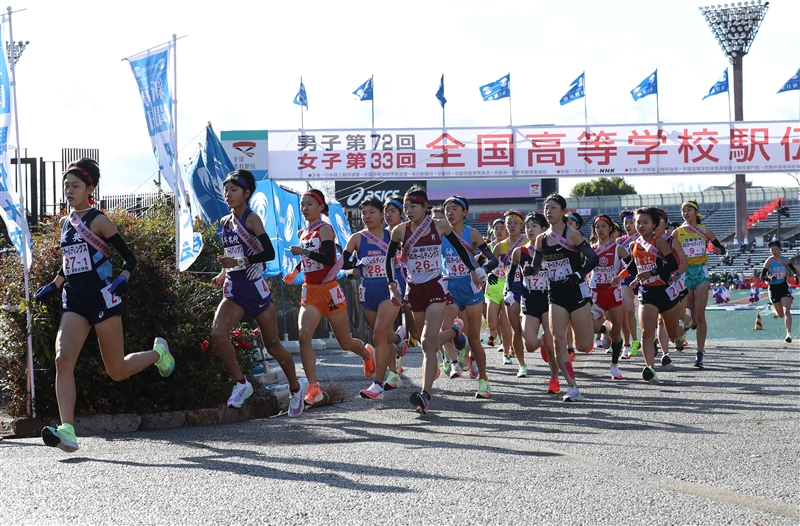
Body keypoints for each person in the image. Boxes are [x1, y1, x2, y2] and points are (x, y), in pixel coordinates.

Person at [35, 158, 174, 452]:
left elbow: (129, 258)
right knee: (63, 360)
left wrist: (123, 276)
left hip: (102, 297)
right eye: (66, 186)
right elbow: (69, 264)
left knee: (117, 370)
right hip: (74, 299)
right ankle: (67, 430)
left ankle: (158, 353)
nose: (69, 191)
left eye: (75, 186)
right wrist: (54, 284)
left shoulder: (98, 220)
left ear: (90, 188)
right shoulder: (65, 223)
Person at [211, 170, 307, 414]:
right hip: (234, 289)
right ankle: (241, 383)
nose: (228, 195)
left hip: (256, 289)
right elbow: (231, 254)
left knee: (273, 346)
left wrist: (238, 263)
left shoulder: (252, 219)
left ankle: (296, 389)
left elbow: (268, 253)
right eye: (226, 190)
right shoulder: (225, 222)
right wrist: (223, 274)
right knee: (218, 333)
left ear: (246, 193)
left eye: (234, 190)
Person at [384, 186, 481, 413]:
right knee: (420, 339)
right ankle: (455, 331)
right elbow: (389, 260)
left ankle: (425, 394)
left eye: (413, 206)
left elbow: (460, 249)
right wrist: (391, 286)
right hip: (414, 290)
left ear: (425, 207)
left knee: (428, 342)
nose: (408, 210)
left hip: (436, 287)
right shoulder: (398, 231)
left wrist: (472, 271)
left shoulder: (440, 226)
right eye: (406, 206)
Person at [284, 189, 376, 404]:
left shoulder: (325, 229)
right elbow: (308, 260)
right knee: (304, 337)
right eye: (302, 205)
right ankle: (314, 387)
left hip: (329, 290)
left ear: (320, 207)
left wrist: (303, 253)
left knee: (345, 342)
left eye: (309, 204)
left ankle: (366, 353)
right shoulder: (302, 233)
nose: (305, 209)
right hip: (310, 290)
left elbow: (327, 258)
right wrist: (296, 271)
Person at [527, 193, 599, 402]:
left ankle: (595, 323)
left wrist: (578, 274)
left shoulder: (572, 235)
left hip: (576, 292)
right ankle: (573, 386)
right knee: (558, 340)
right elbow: (536, 266)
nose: (548, 211)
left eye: (553, 208)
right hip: (555, 294)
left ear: (563, 211)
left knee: (583, 346)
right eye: (546, 208)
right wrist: (528, 270)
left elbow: (593, 258)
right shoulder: (541, 240)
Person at [339, 198, 403, 401]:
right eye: (364, 213)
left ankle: (378, 384)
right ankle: (397, 347)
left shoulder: (393, 235)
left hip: (390, 289)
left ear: (382, 214)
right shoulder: (357, 238)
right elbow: (344, 262)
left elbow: (406, 257)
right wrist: (357, 263)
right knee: (384, 336)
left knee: (377, 336)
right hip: (368, 291)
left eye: (372, 212)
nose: (367, 217)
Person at [442, 195, 499, 391]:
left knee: (474, 338)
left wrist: (483, 270)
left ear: (465, 212)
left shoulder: (472, 233)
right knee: (445, 329)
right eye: (447, 209)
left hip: (471, 287)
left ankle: (483, 380)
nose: (450, 212)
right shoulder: (440, 233)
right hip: (450, 286)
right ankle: (458, 350)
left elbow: (493, 260)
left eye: (455, 208)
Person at [628, 207, 688, 383]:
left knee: (673, 333)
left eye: (645, 222)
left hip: (665, 291)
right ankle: (650, 368)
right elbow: (633, 266)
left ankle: (681, 333)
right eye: (638, 222)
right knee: (647, 332)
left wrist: (652, 272)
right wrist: (623, 276)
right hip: (646, 292)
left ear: (654, 224)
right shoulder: (635, 244)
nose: (640, 225)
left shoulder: (660, 241)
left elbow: (672, 264)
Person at [507, 213, 562, 392]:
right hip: (529, 299)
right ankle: (545, 342)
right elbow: (510, 273)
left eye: (534, 226)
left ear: (544, 230)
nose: (530, 230)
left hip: (548, 298)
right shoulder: (519, 252)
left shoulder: (552, 250)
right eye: (528, 227)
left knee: (551, 344)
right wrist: (508, 291)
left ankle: (555, 379)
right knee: (530, 345)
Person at [673, 200, 725, 368]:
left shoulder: (705, 231)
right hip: (685, 273)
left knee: (700, 314)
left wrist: (718, 250)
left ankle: (700, 353)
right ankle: (683, 332)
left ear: (696, 212)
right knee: (687, 315)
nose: (686, 213)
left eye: (689, 210)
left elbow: (721, 248)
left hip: (700, 272)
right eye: (683, 210)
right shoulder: (677, 233)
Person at [589, 215, 632, 380]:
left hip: (613, 293)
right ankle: (603, 330)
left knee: (616, 332)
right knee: (593, 327)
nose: (600, 230)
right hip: (595, 292)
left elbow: (632, 265)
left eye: (603, 226)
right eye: (597, 227)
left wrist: (621, 276)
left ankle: (614, 365)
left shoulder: (617, 248)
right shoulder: (591, 249)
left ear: (610, 230)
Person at [494, 210, 526, 369]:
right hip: (511, 288)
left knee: (527, 330)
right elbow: (490, 264)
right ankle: (522, 365)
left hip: (529, 288)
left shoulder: (528, 241)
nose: (512, 226)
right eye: (509, 224)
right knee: (515, 328)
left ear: (522, 225)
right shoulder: (500, 246)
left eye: (515, 223)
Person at [761, 240, 798, 343]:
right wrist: (769, 277)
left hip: (783, 287)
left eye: (776, 249)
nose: (774, 251)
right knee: (781, 314)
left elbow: (792, 269)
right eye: (772, 250)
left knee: (787, 310)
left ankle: (788, 334)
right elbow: (762, 276)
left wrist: (795, 275)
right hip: (773, 288)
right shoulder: (769, 261)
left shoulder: (785, 260)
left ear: (780, 249)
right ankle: (776, 311)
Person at [484, 218, 512, 352]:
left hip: (508, 285)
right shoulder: (488, 248)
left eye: (502, 228)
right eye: (496, 228)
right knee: (492, 324)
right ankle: (497, 338)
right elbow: (481, 266)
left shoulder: (512, 246)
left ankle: (506, 345)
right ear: (492, 231)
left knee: (505, 322)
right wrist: (488, 274)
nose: (499, 231)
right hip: (493, 287)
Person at [618, 210, 641, 359]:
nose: (628, 225)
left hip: (643, 276)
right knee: (629, 310)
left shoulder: (642, 238)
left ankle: (651, 336)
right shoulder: (619, 241)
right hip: (626, 278)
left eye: (631, 222)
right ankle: (633, 341)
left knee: (646, 313)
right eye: (626, 222)